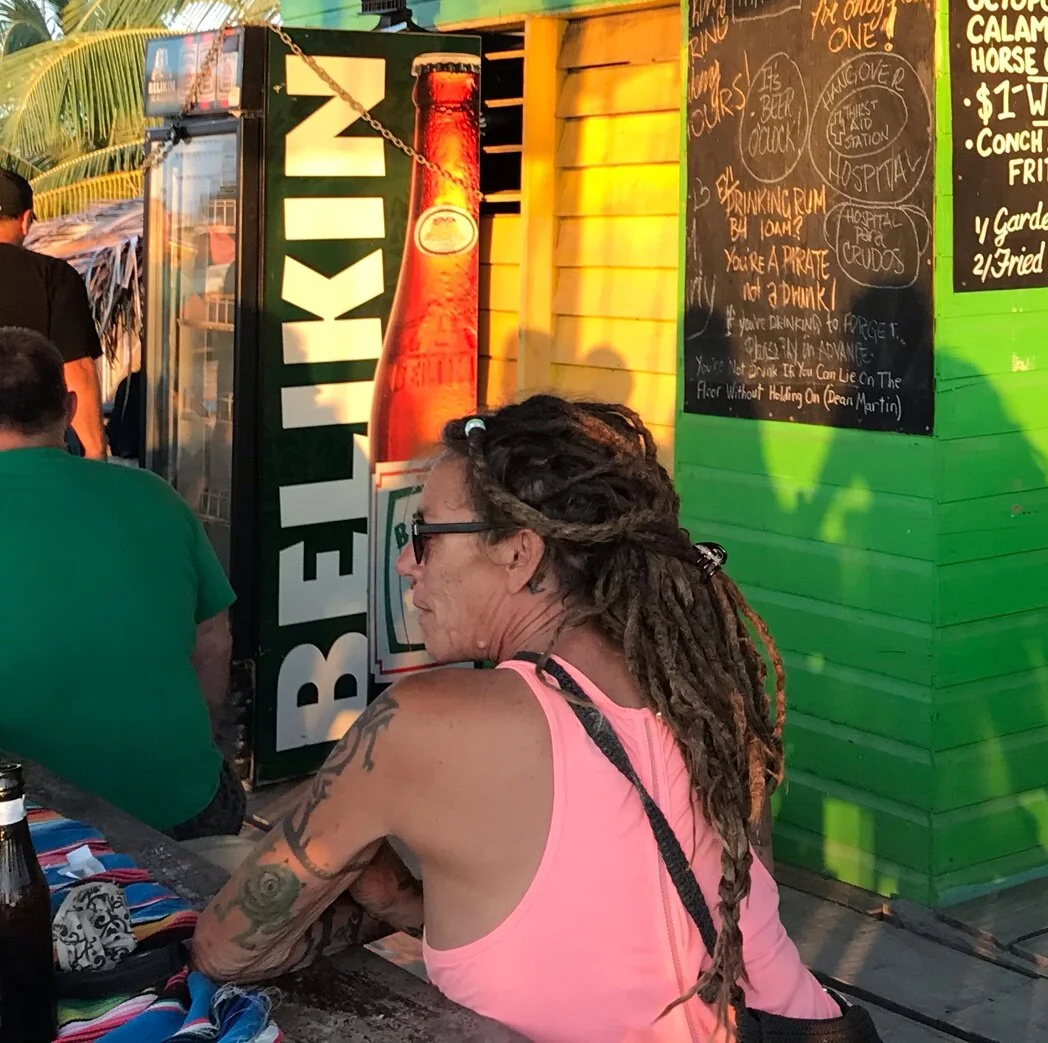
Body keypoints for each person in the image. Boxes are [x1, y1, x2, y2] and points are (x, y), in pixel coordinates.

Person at [191, 396, 854, 1043]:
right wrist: (405, 902)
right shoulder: (705, 698)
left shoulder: (421, 723)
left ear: (519, 554)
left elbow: (225, 947)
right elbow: (613, 930)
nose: (405, 563)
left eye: (423, 536)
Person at [0, 326, 242, 837]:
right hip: (177, 805)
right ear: (69, 408)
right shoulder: (154, 495)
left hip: (26, 827)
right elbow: (214, 641)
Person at [0, 168, 104, 456]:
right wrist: (95, 452)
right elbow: (77, 370)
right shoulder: (54, 276)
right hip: (33, 447)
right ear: (25, 220)